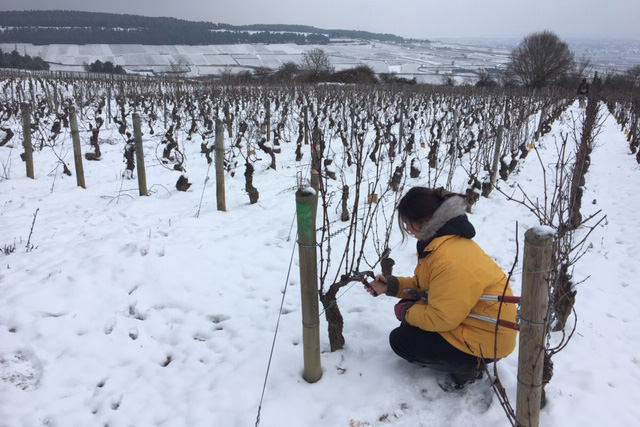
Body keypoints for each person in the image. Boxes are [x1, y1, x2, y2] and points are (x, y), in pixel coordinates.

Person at [364, 187, 518, 388]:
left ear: (425, 220)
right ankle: (460, 357)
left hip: (487, 342)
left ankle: (469, 368)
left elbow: (441, 318)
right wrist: (391, 286)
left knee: (401, 340)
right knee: (410, 319)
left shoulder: (449, 258)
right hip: (476, 325)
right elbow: (426, 286)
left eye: (407, 222)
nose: (407, 229)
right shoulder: (442, 243)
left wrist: (406, 312)